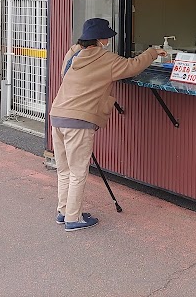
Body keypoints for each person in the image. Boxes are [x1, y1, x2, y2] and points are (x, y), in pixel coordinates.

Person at [50, 18, 166, 231]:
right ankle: (73, 219)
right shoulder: (105, 59)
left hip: (57, 116)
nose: (108, 40)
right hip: (79, 121)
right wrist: (152, 52)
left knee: (64, 169)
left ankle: (64, 211)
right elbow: (133, 67)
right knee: (78, 171)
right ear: (100, 39)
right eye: (106, 37)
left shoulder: (73, 54)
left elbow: (63, 75)